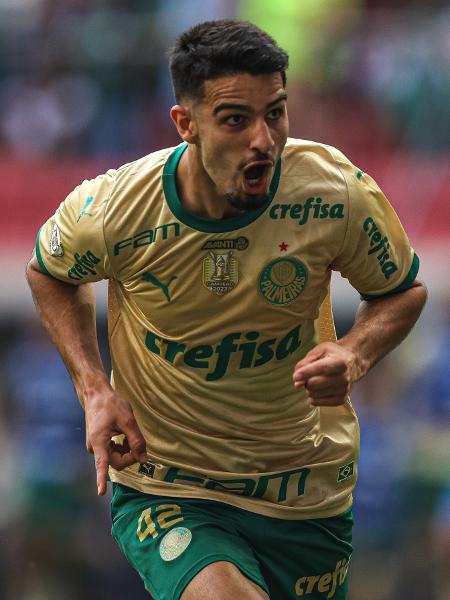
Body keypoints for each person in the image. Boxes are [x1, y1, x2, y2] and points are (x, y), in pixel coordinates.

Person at [26, 19, 427, 600]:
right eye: (236, 119)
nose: (263, 139)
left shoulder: (333, 192)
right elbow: (49, 273)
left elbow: (402, 291)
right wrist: (93, 388)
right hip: (170, 486)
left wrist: (355, 351)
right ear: (185, 124)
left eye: (276, 113)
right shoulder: (114, 210)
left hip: (303, 490)